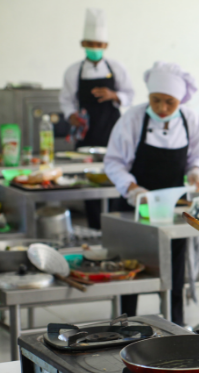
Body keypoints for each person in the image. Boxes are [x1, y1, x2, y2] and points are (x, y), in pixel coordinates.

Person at [104, 62, 199, 326]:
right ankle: (123, 326)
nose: (162, 108)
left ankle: (175, 325)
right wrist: (131, 187)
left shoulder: (190, 119)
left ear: (180, 99)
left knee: (174, 272)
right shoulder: (133, 118)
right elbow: (113, 161)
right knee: (131, 271)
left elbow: (198, 157)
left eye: (169, 102)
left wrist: (196, 172)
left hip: (172, 210)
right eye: (156, 100)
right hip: (135, 205)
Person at [60, 8, 135, 230]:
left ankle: (116, 226)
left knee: (115, 176)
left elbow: (130, 94)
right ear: (83, 43)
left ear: (106, 46)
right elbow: (66, 99)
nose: (95, 49)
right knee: (89, 180)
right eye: (90, 44)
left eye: (99, 45)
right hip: (87, 134)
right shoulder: (73, 71)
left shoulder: (117, 68)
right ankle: (94, 227)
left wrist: (113, 95)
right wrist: (71, 115)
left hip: (113, 131)